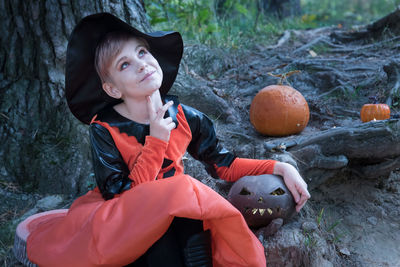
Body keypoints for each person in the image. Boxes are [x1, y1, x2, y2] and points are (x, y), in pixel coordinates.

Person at [26, 13, 310, 267]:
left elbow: (223, 164)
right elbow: (121, 195)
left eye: (142, 52)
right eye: (125, 64)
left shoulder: (187, 117)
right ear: (112, 88)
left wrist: (279, 167)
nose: (141, 64)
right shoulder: (105, 129)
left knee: (190, 222)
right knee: (168, 226)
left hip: (177, 210)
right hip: (123, 220)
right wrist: (156, 141)